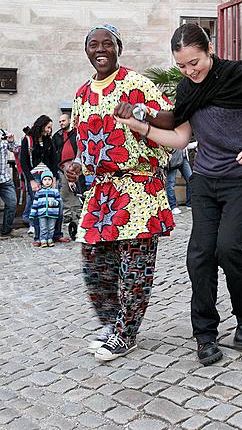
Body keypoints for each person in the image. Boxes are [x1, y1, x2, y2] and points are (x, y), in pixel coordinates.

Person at [114, 23, 242, 366]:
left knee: (230, 248)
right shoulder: (188, 90)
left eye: (195, 62)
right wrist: (141, 127)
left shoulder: (240, 76)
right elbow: (180, 138)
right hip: (207, 181)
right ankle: (205, 335)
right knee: (200, 256)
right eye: (181, 65)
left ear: (209, 50)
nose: (189, 71)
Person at [64, 24, 174, 362]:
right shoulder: (82, 94)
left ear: (118, 48)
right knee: (95, 263)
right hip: (101, 192)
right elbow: (80, 142)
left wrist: (142, 113)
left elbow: (172, 119)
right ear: (86, 51)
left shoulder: (136, 84)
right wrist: (76, 166)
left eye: (107, 44)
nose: (101, 49)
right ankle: (112, 322)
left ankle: (126, 333)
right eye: (93, 44)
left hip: (138, 186)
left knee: (134, 266)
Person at [20, 115, 70, 246]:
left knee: (58, 204)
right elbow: (23, 162)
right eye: (48, 127)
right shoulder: (28, 140)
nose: (50, 130)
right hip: (35, 177)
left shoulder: (49, 140)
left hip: (49, 175)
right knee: (38, 206)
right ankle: (39, 238)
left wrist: (54, 178)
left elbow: (54, 160)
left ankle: (57, 235)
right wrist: (30, 181)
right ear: (41, 126)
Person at [52, 113, 85, 224]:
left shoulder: (76, 133)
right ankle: (67, 215)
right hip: (62, 167)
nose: (61, 123)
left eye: (63, 121)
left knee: (78, 190)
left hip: (76, 166)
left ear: (69, 120)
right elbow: (54, 151)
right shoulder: (57, 135)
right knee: (65, 191)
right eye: (60, 121)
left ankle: (78, 213)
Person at [29, 170, 61, 247]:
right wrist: (32, 214)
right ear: (42, 181)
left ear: (52, 181)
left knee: (51, 227)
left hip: (52, 213)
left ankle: (50, 239)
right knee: (43, 227)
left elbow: (59, 201)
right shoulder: (39, 192)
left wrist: (54, 203)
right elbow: (35, 204)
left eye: (49, 180)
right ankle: (43, 239)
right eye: (45, 179)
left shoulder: (55, 191)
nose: (47, 181)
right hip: (42, 213)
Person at [0, 128, 19, 237]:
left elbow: (15, 150)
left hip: (4, 179)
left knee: (12, 203)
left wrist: (11, 141)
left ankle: (6, 231)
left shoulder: (3, 133)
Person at [166, 147, 193, 215]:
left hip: (183, 157)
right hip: (173, 158)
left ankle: (189, 203)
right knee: (171, 182)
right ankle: (173, 206)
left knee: (191, 179)